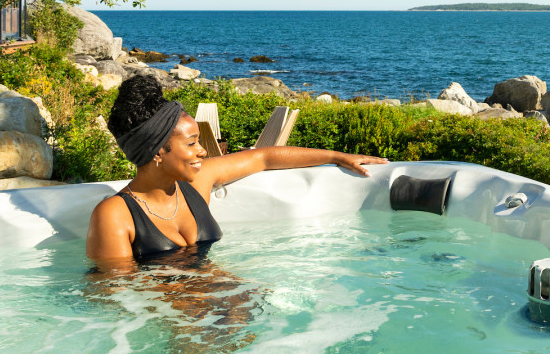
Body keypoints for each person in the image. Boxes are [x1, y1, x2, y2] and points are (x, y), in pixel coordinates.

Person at [86, 73, 386, 271]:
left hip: (228, 302)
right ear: (157, 152)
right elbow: (116, 294)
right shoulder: (114, 214)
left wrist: (338, 156)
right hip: (184, 325)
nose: (203, 151)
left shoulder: (196, 183)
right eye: (192, 144)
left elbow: (264, 158)